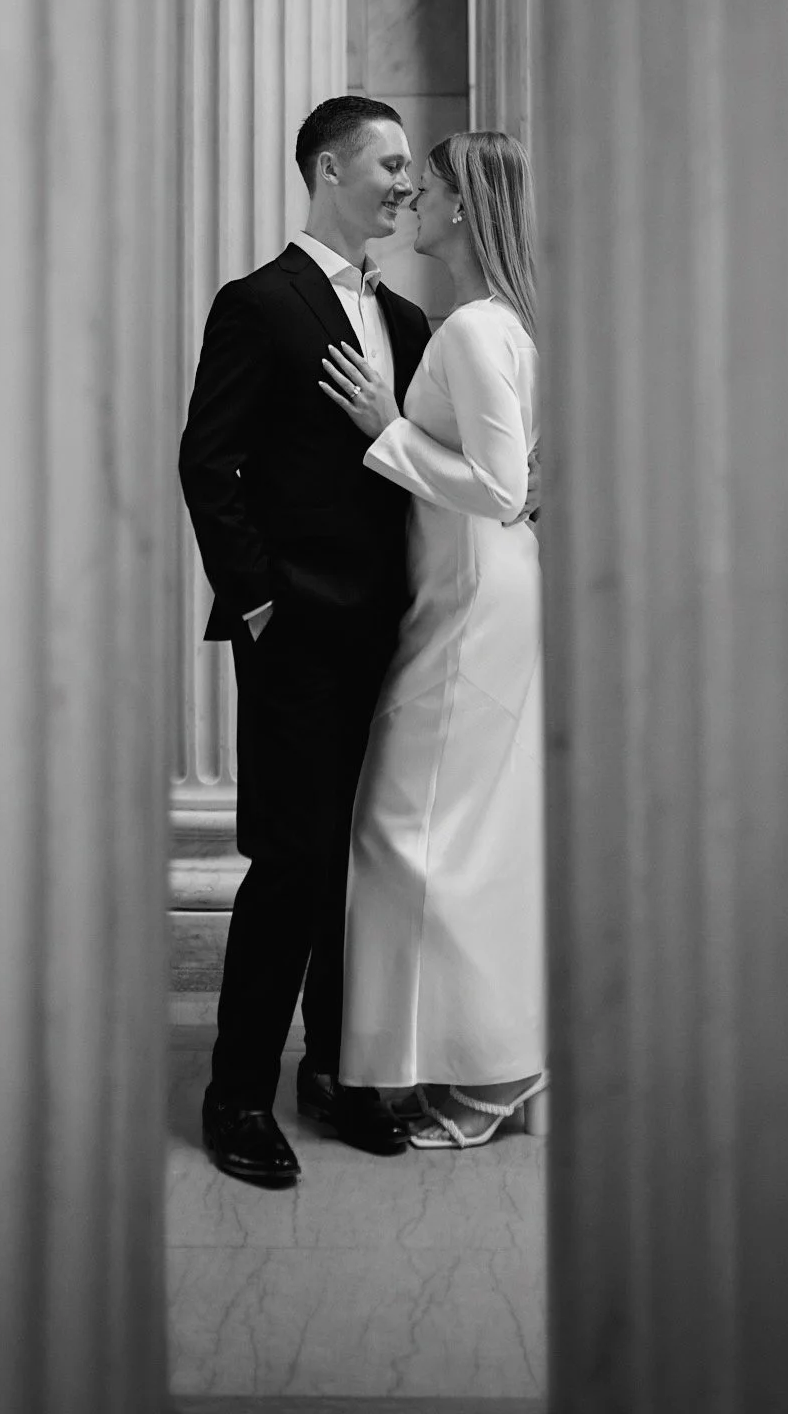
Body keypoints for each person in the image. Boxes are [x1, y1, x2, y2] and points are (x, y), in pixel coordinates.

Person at [178, 95, 433, 1188]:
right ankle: (238, 1093)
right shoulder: (259, 303)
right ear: (329, 170)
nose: (406, 182)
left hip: (396, 638)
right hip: (296, 637)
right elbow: (209, 462)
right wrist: (261, 604)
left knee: (365, 866)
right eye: (389, 163)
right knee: (292, 866)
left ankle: (337, 1067)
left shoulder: (411, 323)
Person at [319, 130, 546, 1148]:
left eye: (433, 185)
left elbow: (500, 490)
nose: (415, 197)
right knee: (464, 838)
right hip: (473, 593)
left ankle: (430, 1068)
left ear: (466, 207)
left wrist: (383, 427)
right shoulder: (496, 325)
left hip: (472, 605)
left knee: (404, 834)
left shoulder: (468, 331)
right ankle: (469, 1058)